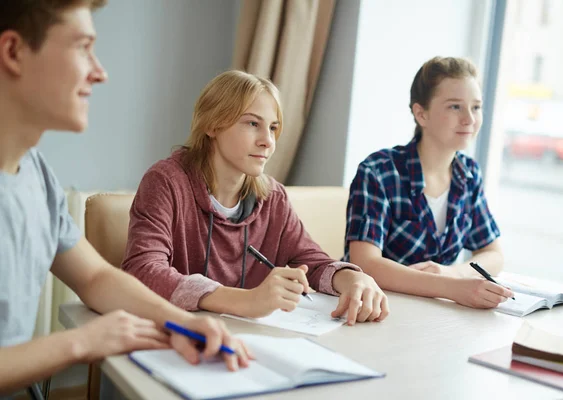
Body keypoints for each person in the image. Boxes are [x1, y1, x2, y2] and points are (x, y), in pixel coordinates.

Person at [0, 1, 249, 395]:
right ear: (13, 51)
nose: (100, 72)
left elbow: (95, 277)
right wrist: (81, 341)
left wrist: (179, 322)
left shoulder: (35, 173)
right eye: (83, 47)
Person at [122, 70, 389, 325]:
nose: (268, 141)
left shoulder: (273, 197)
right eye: (252, 123)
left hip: (248, 342)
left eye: (273, 128)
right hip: (181, 340)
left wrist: (353, 280)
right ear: (212, 125)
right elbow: (143, 271)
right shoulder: (166, 182)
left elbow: (314, 263)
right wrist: (245, 300)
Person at [344, 56, 514, 309]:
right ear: (421, 114)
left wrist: (453, 273)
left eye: (476, 107)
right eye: (455, 107)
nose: (469, 119)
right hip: (374, 308)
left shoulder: (468, 175)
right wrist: (450, 287)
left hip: (435, 313)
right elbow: (366, 264)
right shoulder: (378, 171)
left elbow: (494, 255)